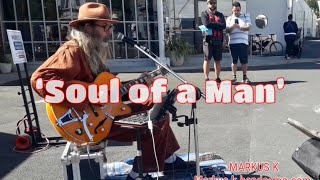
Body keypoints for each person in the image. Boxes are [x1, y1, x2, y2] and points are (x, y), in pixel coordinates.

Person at [30, 3, 191, 179]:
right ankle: (141, 173)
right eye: (105, 26)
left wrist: (139, 83)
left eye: (111, 26)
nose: (110, 31)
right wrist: (84, 97)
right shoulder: (72, 50)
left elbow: (107, 91)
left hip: (101, 115)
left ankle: (168, 159)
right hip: (86, 122)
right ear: (88, 27)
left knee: (157, 109)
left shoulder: (92, 51)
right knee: (153, 123)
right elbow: (40, 80)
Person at [225, 1, 251, 84]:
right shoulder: (229, 18)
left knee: (244, 61)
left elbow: (248, 27)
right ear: (232, 10)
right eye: (235, 10)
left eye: (238, 10)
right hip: (233, 42)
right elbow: (227, 30)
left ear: (240, 9)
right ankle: (234, 77)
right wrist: (233, 26)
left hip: (243, 42)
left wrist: (240, 27)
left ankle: (244, 77)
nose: (236, 12)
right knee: (234, 61)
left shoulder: (245, 16)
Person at [200, 0, 226, 83]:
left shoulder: (220, 15)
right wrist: (217, 25)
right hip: (208, 40)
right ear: (208, 4)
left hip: (218, 40)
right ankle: (206, 78)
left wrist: (213, 24)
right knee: (207, 59)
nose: (212, 5)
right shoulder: (204, 14)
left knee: (218, 60)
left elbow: (224, 26)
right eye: (211, 3)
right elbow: (206, 25)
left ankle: (217, 77)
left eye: (214, 3)